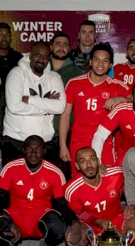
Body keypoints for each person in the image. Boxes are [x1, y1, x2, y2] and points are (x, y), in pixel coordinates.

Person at [0, 135, 79, 246]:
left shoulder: (55, 172)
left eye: (38, 150)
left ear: (44, 151)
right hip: (16, 217)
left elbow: (62, 205)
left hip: (40, 218)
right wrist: (4, 219)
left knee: (58, 227)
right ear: (23, 151)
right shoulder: (11, 168)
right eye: (29, 149)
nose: (33, 154)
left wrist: (74, 222)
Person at [64, 147, 135, 246]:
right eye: (83, 161)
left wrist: (131, 204)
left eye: (92, 159)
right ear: (77, 166)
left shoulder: (115, 173)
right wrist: (98, 222)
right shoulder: (72, 189)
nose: (89, 165)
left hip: (117, 219)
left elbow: (129, 184)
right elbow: (79, 214)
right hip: (92, 225)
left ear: (98, 161)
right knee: (71, 239)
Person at [60, 42, 130, 176]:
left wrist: (121, 99)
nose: (100, 64)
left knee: (107, 183)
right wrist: (63, 145)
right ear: (90, 61)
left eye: (105, 61)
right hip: (78, 142)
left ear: (110, 65)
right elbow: (65, 116)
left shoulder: (117, 87)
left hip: (106, 143)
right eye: (97, 60)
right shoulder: (74, 83)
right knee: (80, 184)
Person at [3, 42, 66, 163]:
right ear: (30, 55)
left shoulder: (55, 77)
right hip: (17, 141)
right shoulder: (16, 73)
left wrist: (31, 100)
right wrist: (48, 106)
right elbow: (14, 107)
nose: (41, 59)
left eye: (45, 56)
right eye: (38, 55)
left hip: (46, 142)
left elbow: (60, 107)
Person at [48, 32, 83, 179]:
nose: (61, 48)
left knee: (62, 178)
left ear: (69, 49)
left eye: (65, 45)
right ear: (51, 46)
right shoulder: (40, 66)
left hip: (64, 135)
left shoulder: (76, 73)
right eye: (58, 44)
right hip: (39, 133)